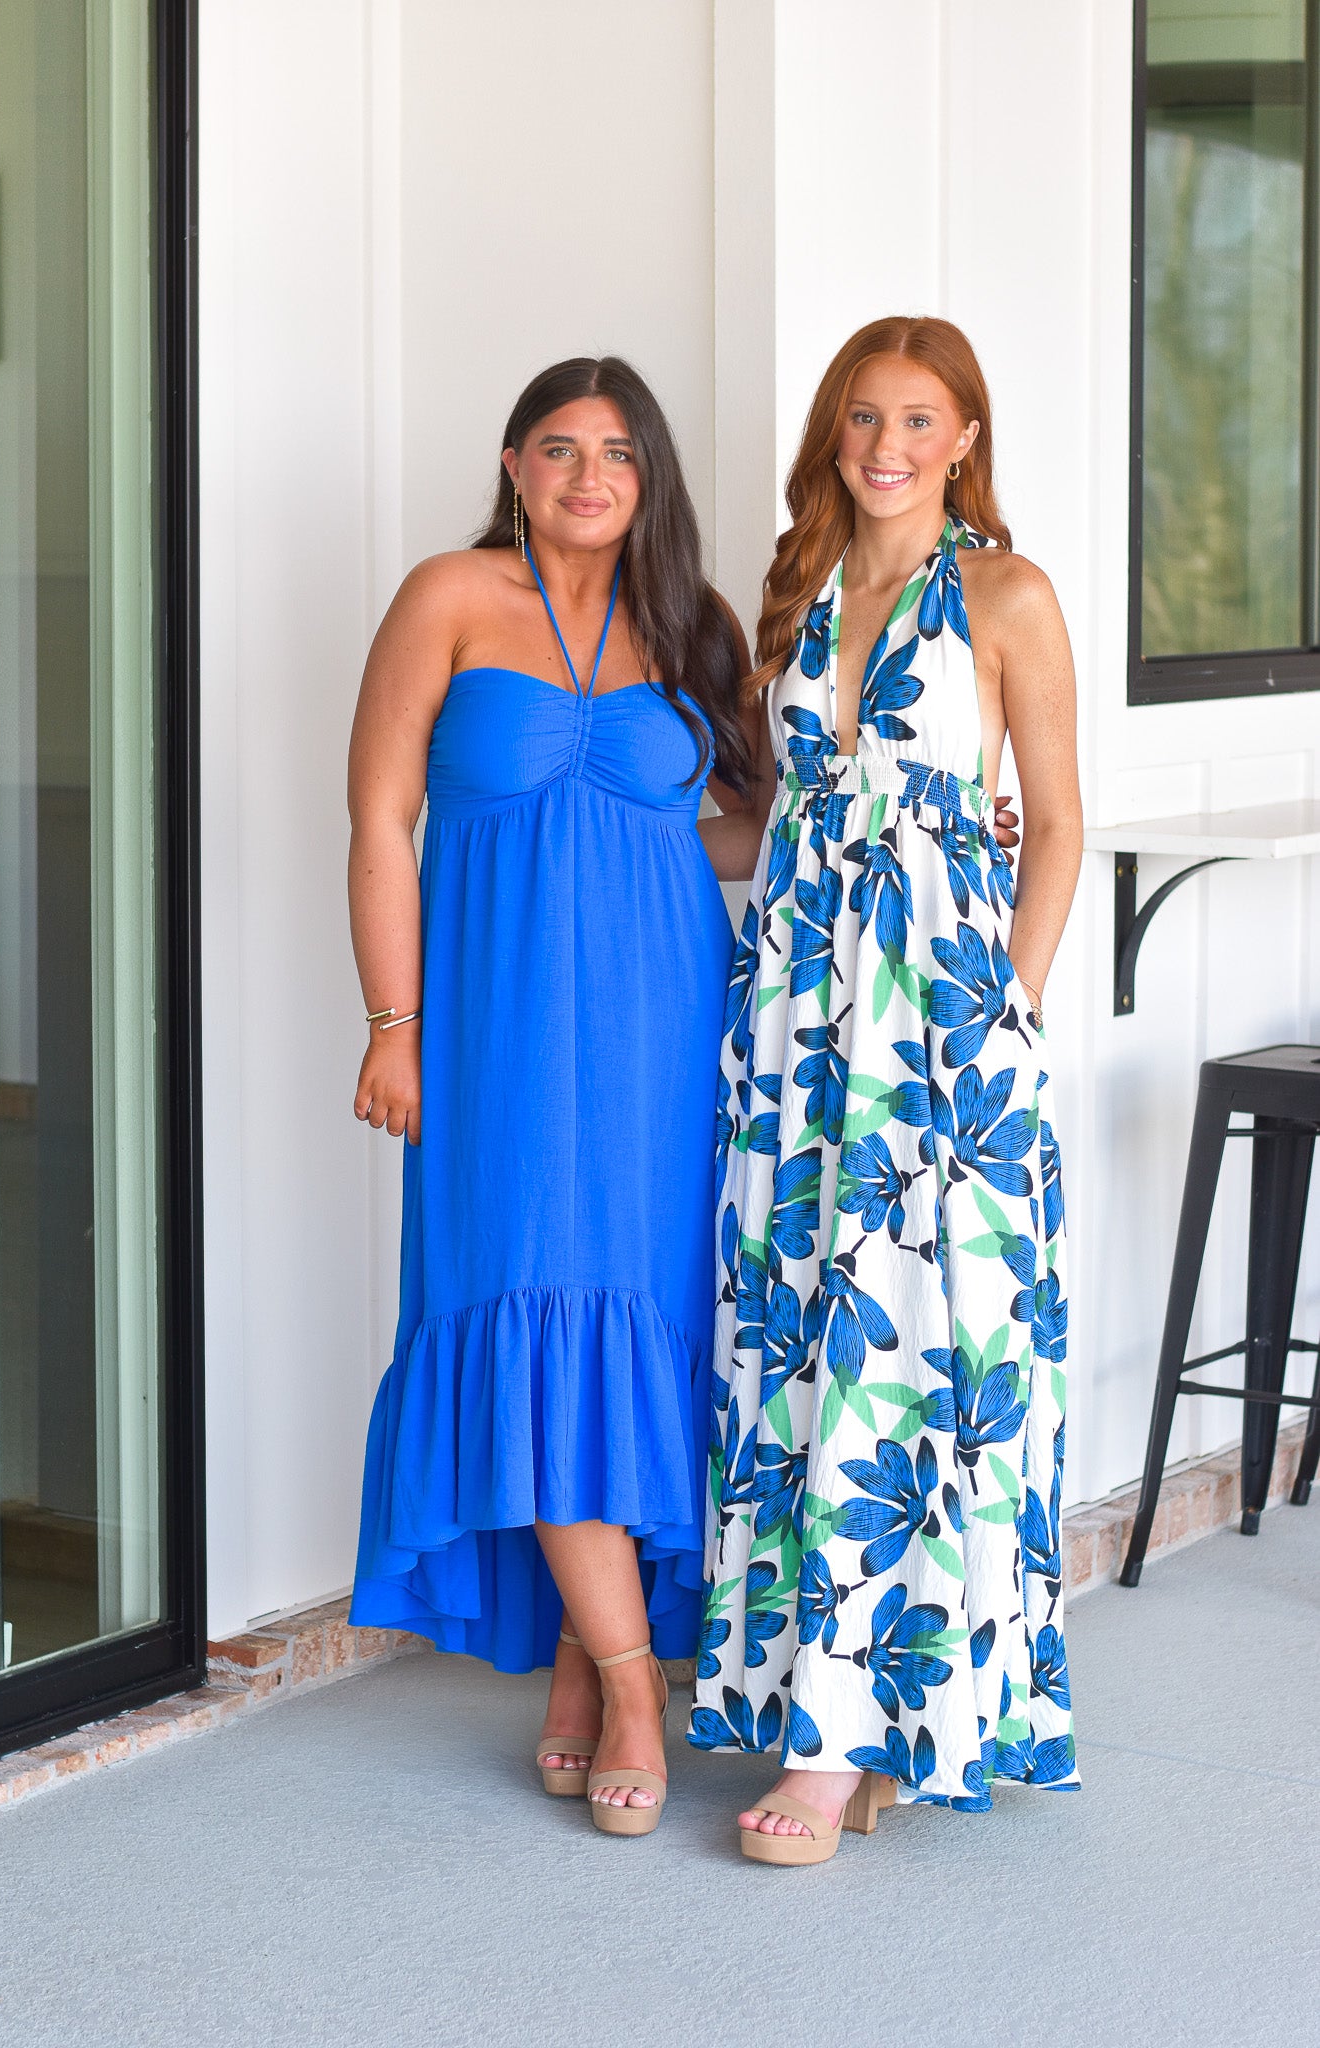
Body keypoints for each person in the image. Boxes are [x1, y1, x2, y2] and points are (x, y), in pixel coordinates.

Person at [345, 356, 760, 1836]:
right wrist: (393, 1025)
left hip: (665, 1025)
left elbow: (738, 827)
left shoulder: (693, 623)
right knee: (533, 1304)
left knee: (642, 1318)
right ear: (515, 464)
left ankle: (587, 1663)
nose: (592, 477)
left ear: (652, 476)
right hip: (497, 1030)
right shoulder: (449, 597)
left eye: (621, 452)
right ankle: (638, 1685)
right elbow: (380, 820)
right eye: (561, 448)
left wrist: (946, 819)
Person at [691, 315, 1082, 1863]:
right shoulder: (791, 596)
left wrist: (1010, 1016)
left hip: (943, 1038)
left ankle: (850, 1739)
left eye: (920, 419)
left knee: (921, 1356)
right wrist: (594, 822)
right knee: (799, 1344)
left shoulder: (1005, 595)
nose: (887, 447)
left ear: (964, 437)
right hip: (794, 1028)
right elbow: (770, 824)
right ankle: (826, 1705)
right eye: (863, 417)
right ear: (832, 434)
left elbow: (1055, 822)